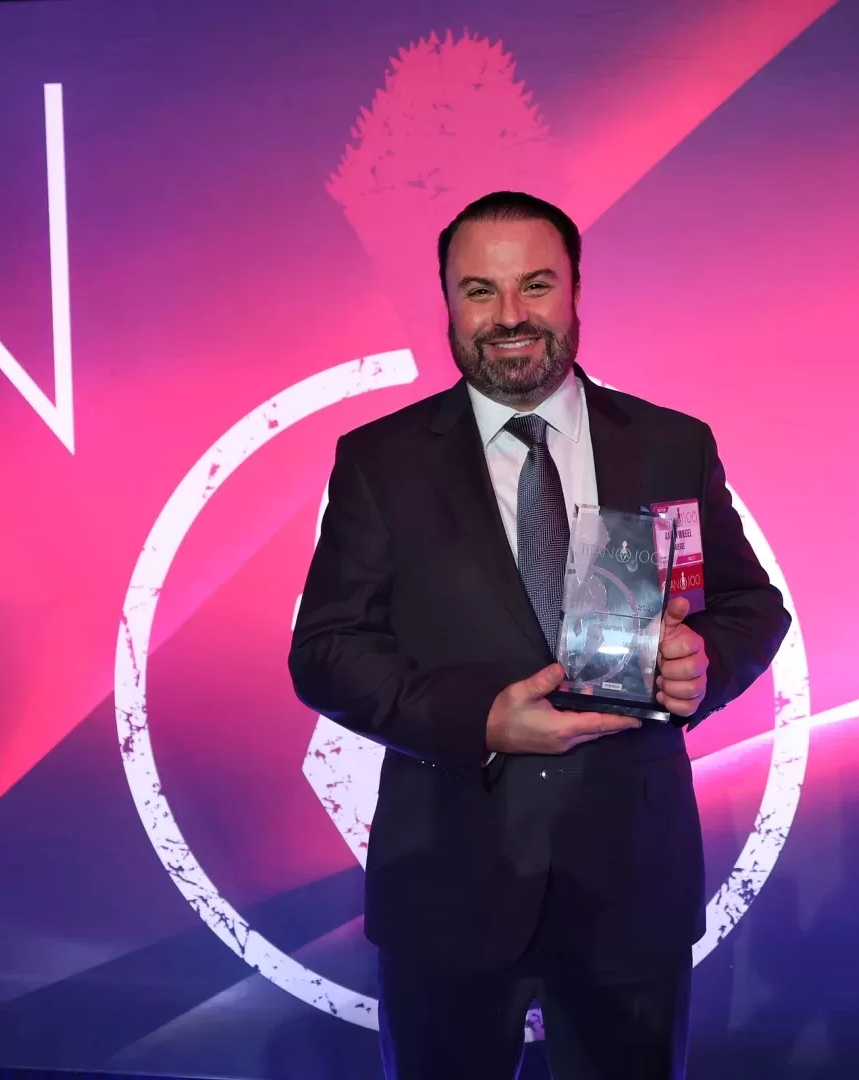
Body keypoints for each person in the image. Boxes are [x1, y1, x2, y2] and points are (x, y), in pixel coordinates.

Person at [289, 190, 790, 1079]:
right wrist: (480, 720)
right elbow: (327, 651)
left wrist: (703, 665)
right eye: (480, 290)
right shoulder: (380, 460)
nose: (510, 316)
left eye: (535, 285)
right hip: (447, 883)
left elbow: (752, 604)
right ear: (447, 303)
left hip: (630, 884)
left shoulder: (672, 443)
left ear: (576, 291)